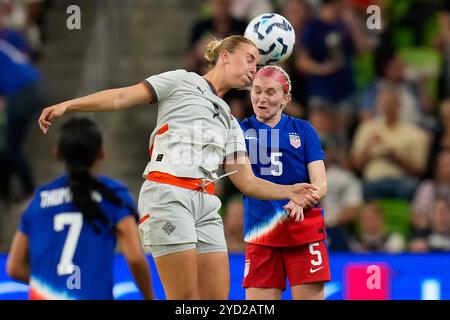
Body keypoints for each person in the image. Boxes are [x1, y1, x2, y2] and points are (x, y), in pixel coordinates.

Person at [37, 35, 319, 300]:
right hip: (168, 194)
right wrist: (69, 106)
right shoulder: (181, 81)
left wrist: (289, 191)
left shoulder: (232, 122)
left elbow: (246, 181)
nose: (254, 68)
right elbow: (120, 97)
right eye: (249, 59)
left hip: (207, 205)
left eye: (257, 63)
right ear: (225, 56)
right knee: (184, 299)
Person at [6, 117, 153, 300]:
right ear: (101, 153)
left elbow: (14, 267)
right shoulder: (114, 196)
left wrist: (50, 283)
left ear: (57, 153)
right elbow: (134, 257)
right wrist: (149, 296)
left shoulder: (39, 199)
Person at [240, 65, 330, 300]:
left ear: (286, 98)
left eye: (270, 92)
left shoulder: (303, 130)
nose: (261, 98)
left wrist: (301, 201)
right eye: (256, 91)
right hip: (261, 235)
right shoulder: (238, 131)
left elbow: (321, 183)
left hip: (303, 233)